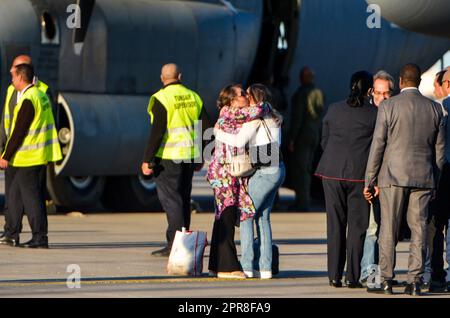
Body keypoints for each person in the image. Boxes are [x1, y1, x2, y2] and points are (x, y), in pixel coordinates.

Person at [364, 63, 446, 296]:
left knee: (388, 228)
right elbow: (439, 153)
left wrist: (370, 179)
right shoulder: (435, 109)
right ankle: (415, 281)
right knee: (419, 229)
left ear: (400, 81)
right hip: (423, 178)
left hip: (392, 176)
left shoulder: (388, 107)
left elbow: (378, 144)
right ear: (419, 82)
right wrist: (435, 180)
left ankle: (387, 279)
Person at [214, 84, 285, 279]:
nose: (245, 97)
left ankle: (246, 265)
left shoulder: (255, 119)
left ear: (254, 99)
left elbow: (237, 142)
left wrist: (217, 132)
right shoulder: (273, 116)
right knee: (263, 218)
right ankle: (265, 268)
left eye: (247, 94)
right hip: (278, 168)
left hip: (264, 171)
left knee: (245, 216)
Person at [315, 71, 377, 288]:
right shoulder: (374, 113)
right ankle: (352, 276)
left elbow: (324, 140)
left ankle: (334, 275)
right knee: (358, 227)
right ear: (370, 90)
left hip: (331, 172)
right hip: (360, 176)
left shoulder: (334, 109)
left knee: (335, 225)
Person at [141, 63, 209, 257]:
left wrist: (147, 158)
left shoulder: (161, 98)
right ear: (180, 75)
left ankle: (177, 246)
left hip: (169, 158)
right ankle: (182, 241)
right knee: (183, 200)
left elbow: (157, 132)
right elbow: (206, 128)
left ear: (162, 78)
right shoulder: (194, 97)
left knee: (172, 201)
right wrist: (200, 155)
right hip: (188, 157)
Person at [0, 63, 62, 248]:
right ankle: (16, 234)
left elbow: (19, 132)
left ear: (20, 77)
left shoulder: (28, 99)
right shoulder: (40, 95)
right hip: (37, 155)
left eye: (13, 77)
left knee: (31, 200)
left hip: (28, 158)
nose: (11, 80)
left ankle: (39, 238)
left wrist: (5, 156)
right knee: (18, 197)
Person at [360, 70, 395, 284]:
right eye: (378, 93)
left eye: (386, 93)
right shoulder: (366, 114)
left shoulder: (394, 113)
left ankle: (386, 275)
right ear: (371, 92)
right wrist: (370, 183)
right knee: (372, 229)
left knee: (387, 231)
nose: (382, 97)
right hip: (370, 182)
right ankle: (370, 275)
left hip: (389, 181)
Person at [426, 69, 450, 292]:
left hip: (442, 174)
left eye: (438, 84)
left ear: (448, 84)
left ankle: (436, 274)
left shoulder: (441, 108)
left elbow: (437, 148)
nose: (436, 90)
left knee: (435, 226)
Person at [289, 66, 324, 211]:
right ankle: (304, 200)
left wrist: (292, 138)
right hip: (314, 134)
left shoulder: (302, 94)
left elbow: (298, 118)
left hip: (302, 136)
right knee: (307, 169)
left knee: (301, 170)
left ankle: (302, 202)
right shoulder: (318, 93)